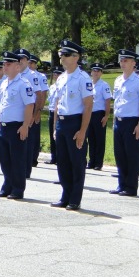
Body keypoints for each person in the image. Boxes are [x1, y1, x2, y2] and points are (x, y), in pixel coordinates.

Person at [51, 40, 93, 211]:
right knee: (63, 162)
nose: (62, 58)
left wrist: (83, 130)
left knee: (76, 162)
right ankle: (65, 195)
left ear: (76, 57)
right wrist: (55, 127)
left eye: (66, 55)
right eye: (62, 54)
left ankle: (75, 199)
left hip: (76, 122)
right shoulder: (61, 78)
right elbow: (57, 104)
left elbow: (88, 105)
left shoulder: (83, 78)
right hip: (62, 122)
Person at [0, 51, 35, 200]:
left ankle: (18, 189)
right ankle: (7, 186)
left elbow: (30, 105)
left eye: (8, 64)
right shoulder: (4, 82)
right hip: (4, 126)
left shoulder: (23, 84)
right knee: (5, 160)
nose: (5, 67)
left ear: (17, 67)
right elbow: (3, 104)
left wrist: (25, 126)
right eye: (4, 64)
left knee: (17, 159)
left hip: (16, 126)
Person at [111, 49, 139, 197]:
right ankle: (121, 184)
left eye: (126, 60)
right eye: (121, 60)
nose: (123, 63)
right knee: (119, 154)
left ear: (134, 63)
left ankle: (131, 187)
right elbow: (118, 102)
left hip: (132, 122)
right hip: (119, 121)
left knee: (131, 155)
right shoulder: (118, 80)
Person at [14, 48, 41, 177]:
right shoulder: (15, 74)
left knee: (28, 142)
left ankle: (26, 170)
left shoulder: (32, 75)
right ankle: (18, 169)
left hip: (29, 110)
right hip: (18, 112)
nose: (20, 61)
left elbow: (39, 95)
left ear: (27, 60)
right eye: (18, 59)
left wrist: (35, 114)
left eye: (23, 59)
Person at [86, 62, 111, 170]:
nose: (95, 73)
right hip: (89, 114)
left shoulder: (104, 85)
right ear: (91, 72)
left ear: (101, 73)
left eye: (98, 71)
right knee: (91, 138)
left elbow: (107, 100)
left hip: (99, 114)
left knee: (99, 139)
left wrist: (106, 115)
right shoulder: (89, 84)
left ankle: (98, 163)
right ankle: (91, 162)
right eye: (94, 70)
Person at [28, 54, 49, 167]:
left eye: (32, 63)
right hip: (27, 106)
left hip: (36, 107)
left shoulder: (40, 76)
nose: (30, 65)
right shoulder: (24, 74)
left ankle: (33, 158)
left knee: (34, 134)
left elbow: (43, 94)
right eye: (29, 62)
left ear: (36, 65)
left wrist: (39, 110)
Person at [45, 66, 64, 165]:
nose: (56, 76)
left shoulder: (63, 85)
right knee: (52, 135)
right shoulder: (52, 87)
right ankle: (54, 157)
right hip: (52, 111)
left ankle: (60, 158)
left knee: (59, 137)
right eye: (55, 74)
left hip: (59, 113)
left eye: (58, 74)